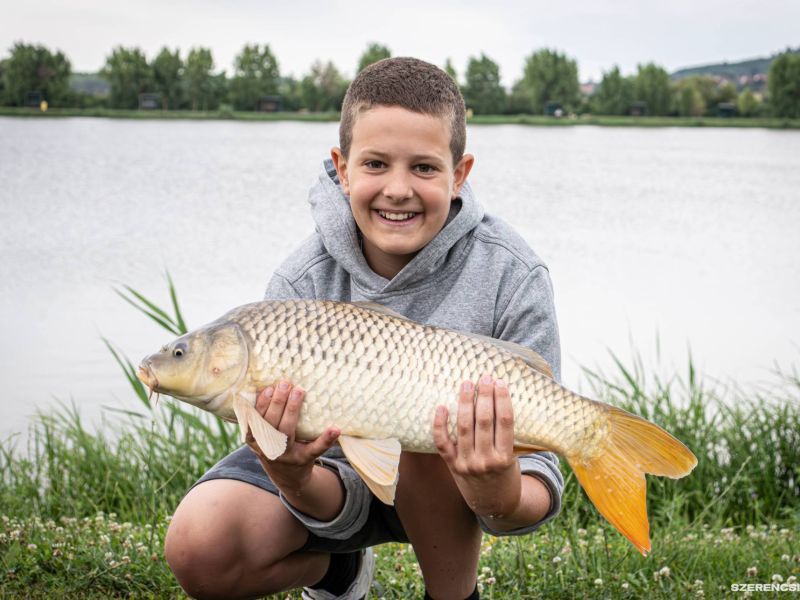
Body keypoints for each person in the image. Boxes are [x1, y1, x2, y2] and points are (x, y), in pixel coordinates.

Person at [164, 57, 563, 600]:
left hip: (454, 489)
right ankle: (335, 571)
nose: (397, 189)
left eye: (423, 168)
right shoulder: (299, 282)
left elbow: (536, 483)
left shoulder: (513, 275)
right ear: (342, 167)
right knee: (199, 547)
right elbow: (316, 479)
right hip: (333, 480)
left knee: (428, 424)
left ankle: (453, 595)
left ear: (460, 174)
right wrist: (293, 476)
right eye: (375, 164)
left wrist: (501, 491)